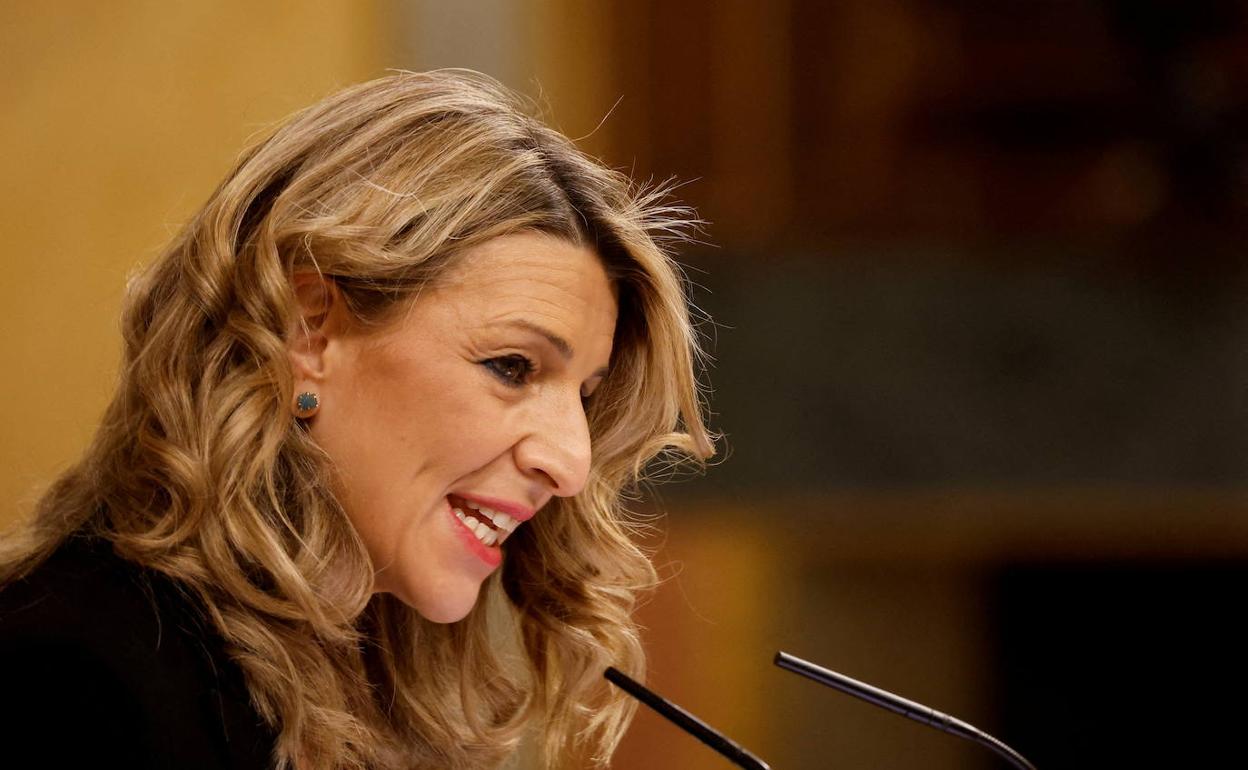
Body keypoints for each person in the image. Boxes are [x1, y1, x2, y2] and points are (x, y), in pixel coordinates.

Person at [0, 70, 714, 770]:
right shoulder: (64, 682)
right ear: (307, 330)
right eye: (512, 366)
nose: (571, 463)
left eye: (584, 396)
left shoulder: (377, 709)